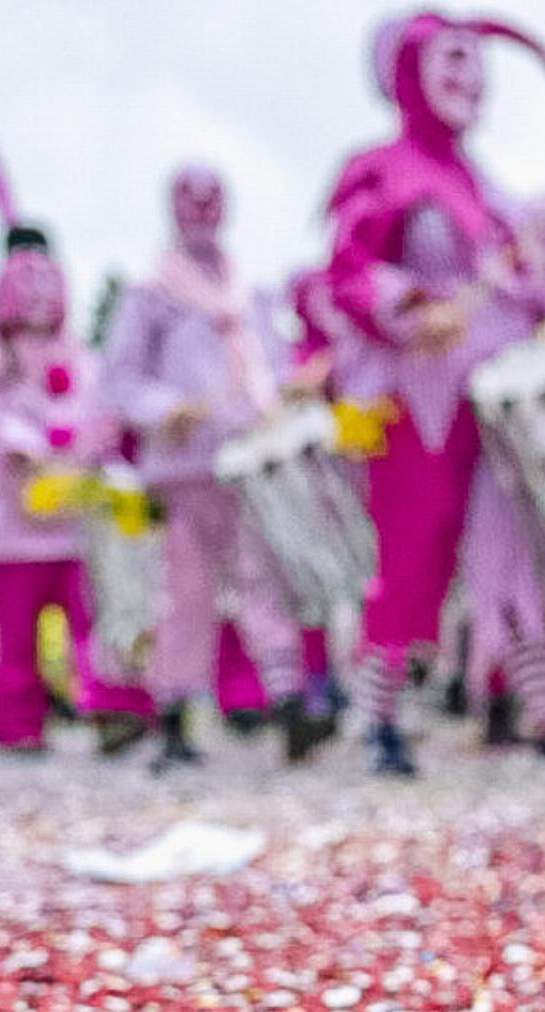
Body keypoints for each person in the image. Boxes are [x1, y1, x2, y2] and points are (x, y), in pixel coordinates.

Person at [320, 9, 545, 776]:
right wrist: (408, 307)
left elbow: (516, 287)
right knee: (413, 560)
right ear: (409, 73)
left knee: (514, 555)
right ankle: (377, 719)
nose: (471, 76)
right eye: (453, 59)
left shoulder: (489, 187)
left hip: (493, 407)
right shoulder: (379, 171)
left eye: (477, 61)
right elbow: (349, 274)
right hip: (415, 404)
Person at [102, 165, 332, 770]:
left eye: (212, 200)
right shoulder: (151, 293)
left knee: (265, 583)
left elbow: (271, 364)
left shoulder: (245, 290)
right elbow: (119, 378)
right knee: (186, 592)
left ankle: (289, 704)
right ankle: (175, 716)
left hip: (250, 461)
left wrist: (290, 391)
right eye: (193, 200)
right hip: (186, 465)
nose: (203, 211)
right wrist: (166, 410)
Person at [0, 120, 153, 756]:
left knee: (92, 618)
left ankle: (113, 706)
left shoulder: (75, 353)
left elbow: (98, 407)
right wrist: (23, 440)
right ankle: (18, 724)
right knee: (16, 633)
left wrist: (82, 440)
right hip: (12, 521)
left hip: (72, 517)